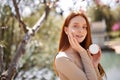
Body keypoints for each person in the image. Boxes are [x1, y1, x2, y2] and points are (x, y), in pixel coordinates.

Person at [54, 12, 105, 80]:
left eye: (84, 27)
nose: (81, 30)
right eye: (75, 26)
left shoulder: (86, 55)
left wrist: (94, 65)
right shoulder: (62, 59)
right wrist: (82, 52)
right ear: (66, 30)